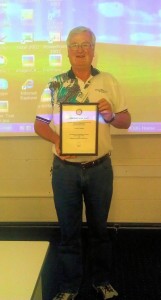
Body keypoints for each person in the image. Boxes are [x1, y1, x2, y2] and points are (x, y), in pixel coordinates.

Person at [34, 26, 131, 300]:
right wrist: (58, 140)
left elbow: (126, 121)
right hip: (65, 171)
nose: (80, 49)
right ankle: (68, 285)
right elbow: (39, 125)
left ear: (93, 49)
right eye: (74, 44)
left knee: (100, 230)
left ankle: (101, 280)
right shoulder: (54, 84)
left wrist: (111, 116)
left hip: (100, 169)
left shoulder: (109, 81)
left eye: (85, 44)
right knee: (69, 231)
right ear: (67, 50)